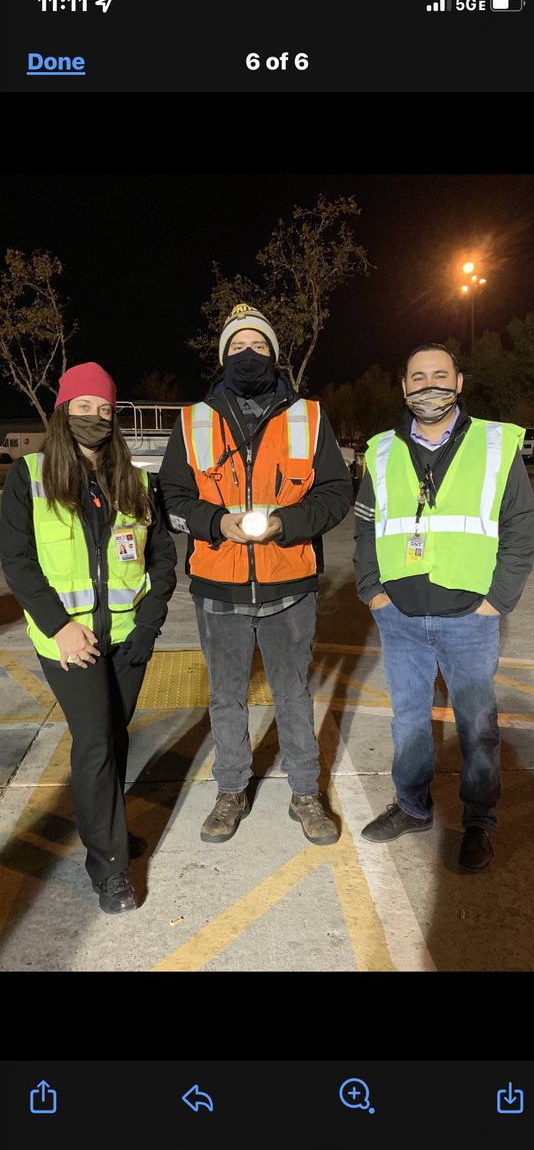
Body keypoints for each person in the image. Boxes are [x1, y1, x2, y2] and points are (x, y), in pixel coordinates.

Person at [157, 303, 352, 845]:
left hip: (290, 586)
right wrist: (217, 523)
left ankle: (305, 793)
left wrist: (285, 524)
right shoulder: (194, 420)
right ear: (224, 357)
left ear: (274, 355)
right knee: (226, 697)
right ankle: (231, 790)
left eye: (259, 345)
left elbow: (336, 493)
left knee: (293, 694)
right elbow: (171, 498)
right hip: (218, 586)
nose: (249, 354)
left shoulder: (309, 416)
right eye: (238, 346)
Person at [354, 343, 534, 871]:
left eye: (440, 375)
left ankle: (478, 821)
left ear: (459, 382)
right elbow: (365, 527)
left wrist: (497, 601)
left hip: (470, 617)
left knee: (477, 726)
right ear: (404, 387)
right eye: (418, 377)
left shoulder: (495, 444)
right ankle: (412, 807)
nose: (429, 385)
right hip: (401, 616)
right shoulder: (381, 451)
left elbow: (521, 529)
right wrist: (373, 591)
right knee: (409, 722)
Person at [0, 362, 177, 912]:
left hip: (127, 638)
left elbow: (162, 560)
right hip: (67, 643)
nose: (95, 416)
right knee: (96, 741)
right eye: (84, 406)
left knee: (115, 738)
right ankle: (109, 865)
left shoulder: (137, 482)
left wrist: (149, 625)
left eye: (105, 409)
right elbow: (18, 562)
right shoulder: (30, 476)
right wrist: (60, 627)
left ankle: (109, 828)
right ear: (63, 411)